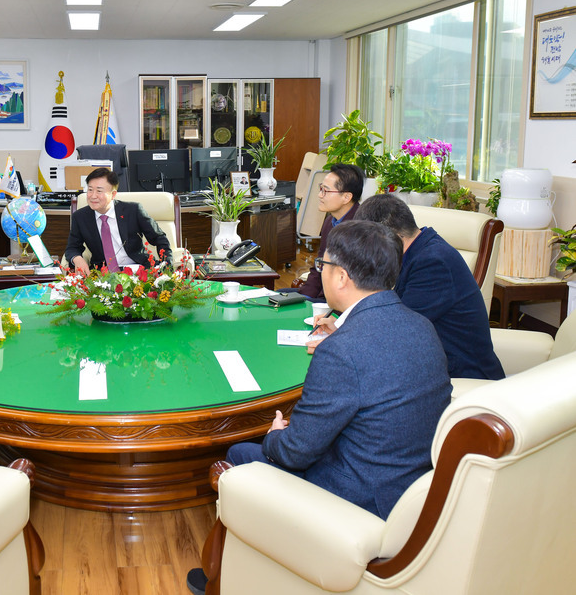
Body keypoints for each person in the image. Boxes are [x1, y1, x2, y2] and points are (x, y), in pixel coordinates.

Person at [187, 220, 450, 595]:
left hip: (360, 499)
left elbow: (295, 453)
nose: (320, 271)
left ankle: (222, 576)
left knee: (241, 453)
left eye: (322, 265)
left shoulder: (342, 351)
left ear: (341, 277)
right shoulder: (422, 326)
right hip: (413, 489)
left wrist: (274, 436)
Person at [355, 193, 505, 381]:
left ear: (390, 237)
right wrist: (342, 326)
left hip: (462, 377)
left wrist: (346, 334)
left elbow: (398, 328)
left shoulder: (433, 262)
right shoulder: (418, 250)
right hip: (429, 365)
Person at [64, 167, 172, 272]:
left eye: (99, 191)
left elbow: (159, 238)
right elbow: (72, 248)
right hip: (103, 273)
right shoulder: (80, 217)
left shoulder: (133, 211)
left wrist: (166, 266)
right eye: (90, 190)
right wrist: (77, 258)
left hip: (138, 270)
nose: (93, 196)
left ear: (113, 194)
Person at [294, 163, 365, 302]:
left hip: (340, 301)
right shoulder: (329, 221)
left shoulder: (360, 227)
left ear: (346, 197)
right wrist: (305, 298)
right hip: (324, 294)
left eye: (325, 191)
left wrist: (310, 303)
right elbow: (320, 265)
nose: (320, 195)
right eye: (320, 189)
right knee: (279, 296)